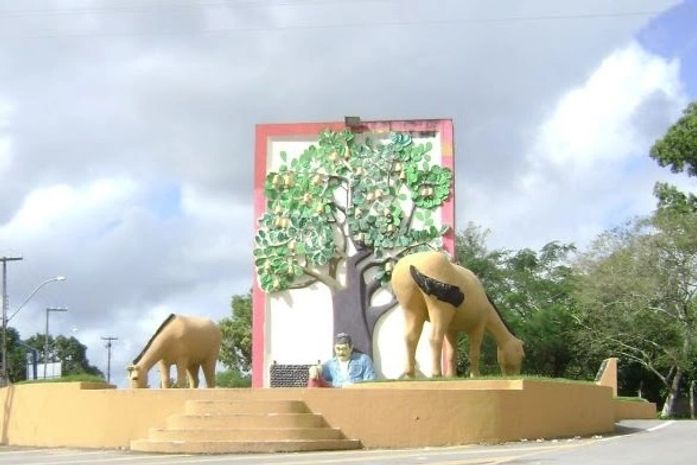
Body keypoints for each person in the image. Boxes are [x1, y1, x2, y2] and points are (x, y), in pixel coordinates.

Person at [307, 332, 376, 387]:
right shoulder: (332, 364)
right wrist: (314, 369)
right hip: (337, 394)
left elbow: (370, 382)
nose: (341, 352)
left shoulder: (363, 360)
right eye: (338, 349)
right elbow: (320, 369)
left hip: (357, 394)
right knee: (313, 378)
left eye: (344, 348)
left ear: (351, 348)